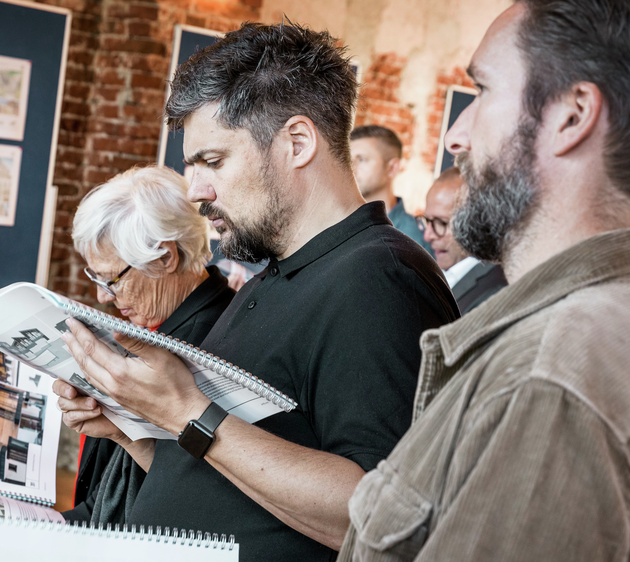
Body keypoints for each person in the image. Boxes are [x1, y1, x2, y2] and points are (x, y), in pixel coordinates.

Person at [54, 23, 458, 561]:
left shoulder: (379, 278)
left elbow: (380, 513)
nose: (196, 191)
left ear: (297, 142)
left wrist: (186, 410)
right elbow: (238, 477)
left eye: (213, 162)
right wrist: (132, 430)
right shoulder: (274, 272)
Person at [340, 0, 630, 559]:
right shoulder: (626, 322)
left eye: (481, 91)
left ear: (571, 115)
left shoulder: (549, 378)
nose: (457, 137)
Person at [61, 165, 235, 525]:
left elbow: (197, 496)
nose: (102, 296)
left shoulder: (208, 343)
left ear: (166, 257)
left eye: (111, 279)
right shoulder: (164, 324)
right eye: (96, 278)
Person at [418, 166, 507, 313]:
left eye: (442, 223)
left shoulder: (494, 293)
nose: (427, 236)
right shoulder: (431, 275)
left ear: (480, 220)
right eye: (426, 221)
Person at [350, 125, 434, 256]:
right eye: (349, 160)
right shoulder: (342, 223)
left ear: (392, 168)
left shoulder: (411, 239)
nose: (351, 168)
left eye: (361, 159)